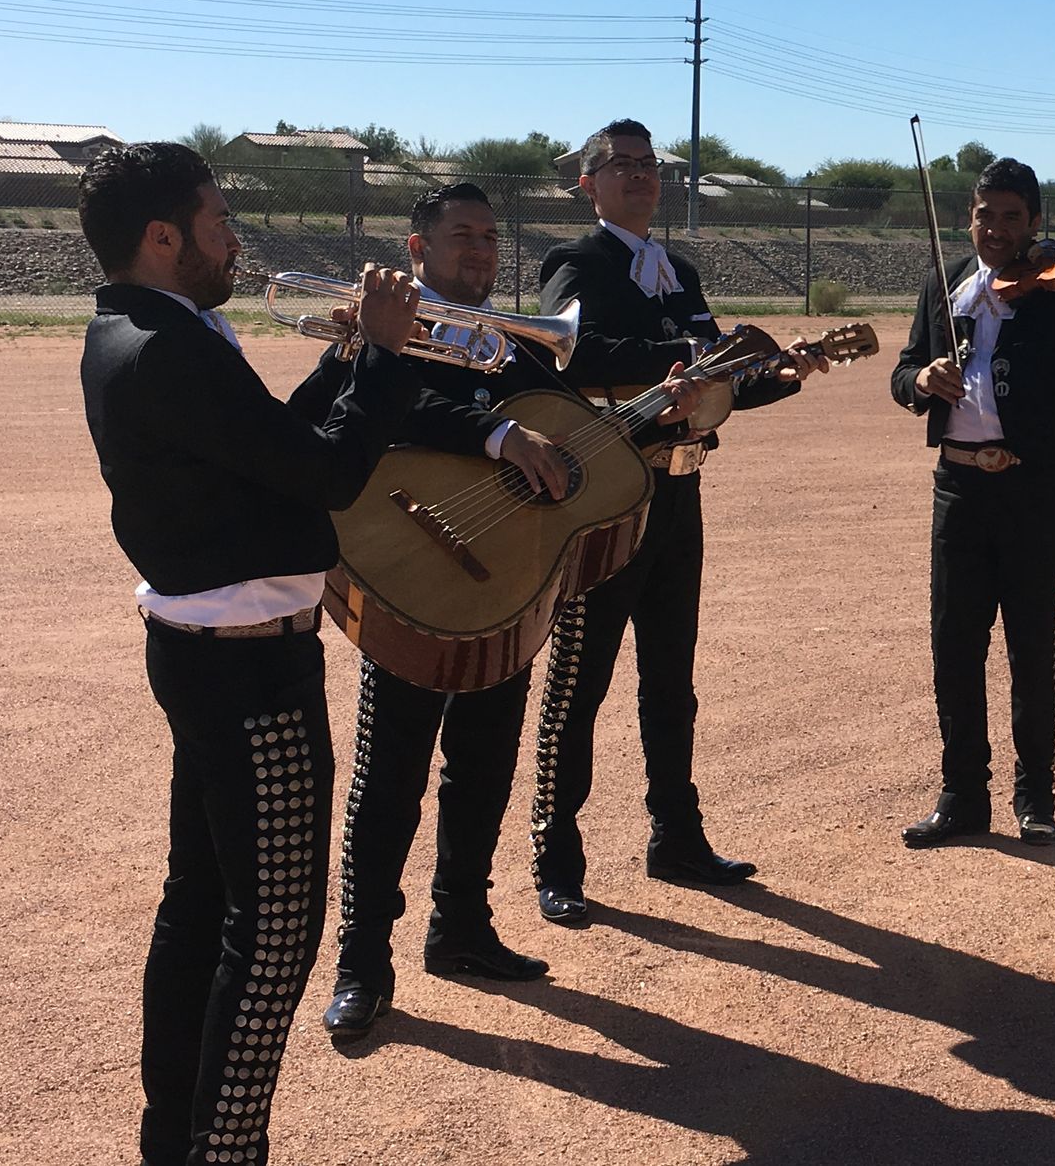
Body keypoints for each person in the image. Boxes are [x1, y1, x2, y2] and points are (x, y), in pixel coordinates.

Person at [77, 142, 420, 1165]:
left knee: (201, 904)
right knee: (273, 936)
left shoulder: (144, 330)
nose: (236, 239)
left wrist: (348, 359)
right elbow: (326, 476)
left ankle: (172, 1140)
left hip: (210, 653)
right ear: (162, 237)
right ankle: (224, 1151)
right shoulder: (168, 347)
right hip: (249, 676)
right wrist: (391, 360)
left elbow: (267, 452)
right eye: (219, 221)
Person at [288, 182, 610, 1038]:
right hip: (413, 573)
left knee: (483, 764)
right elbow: (369, 412)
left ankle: (461, 926)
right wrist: (495, 437)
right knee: (387, 777)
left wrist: (654, 416)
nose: (480, 251)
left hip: (503, 581)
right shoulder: (378, 331)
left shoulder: (515, 344)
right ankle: (362, 962)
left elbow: (565, 427)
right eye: (461, 236)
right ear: (416, 249)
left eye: (491, 238)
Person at [529, 119, 828, 925]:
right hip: (606, 504)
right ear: (587, 183)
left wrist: (781, 372)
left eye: (647, 165)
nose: (638, 176)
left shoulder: (679, 272)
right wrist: (691, 348)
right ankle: (556, 856)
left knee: (672, 680)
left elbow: (710, 388)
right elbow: (578, 350)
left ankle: (677, 837)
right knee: (579, 684)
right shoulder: (576, 262)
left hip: (679, 494)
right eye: (619, 165)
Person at [889, 157, 1055, 848]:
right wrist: (920, 379)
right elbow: (904, 368)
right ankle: (962, 796)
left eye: (1011, 217)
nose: (995, 229)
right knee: (953, 647)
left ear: (1036, 223)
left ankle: (1035, 796)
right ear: (970, 215)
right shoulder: (945, 276)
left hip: (1037, 487)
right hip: (957, 487)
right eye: (985, 214)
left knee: (1032, 645)